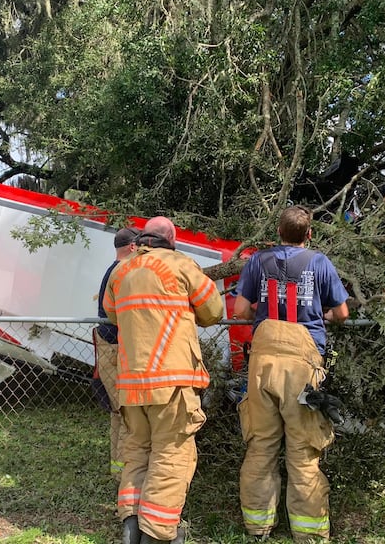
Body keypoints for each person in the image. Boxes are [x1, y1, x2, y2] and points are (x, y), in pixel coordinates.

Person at [103, 216, 224, 544]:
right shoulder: (181, 265)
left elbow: (111, 313)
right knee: (171, 454)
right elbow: (214, 311)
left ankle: (131, 524)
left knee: (138, 450)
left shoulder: (121, 271)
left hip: (131, 383)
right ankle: (156, 535)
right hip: (172, 382)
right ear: (172, 239)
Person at [233, 205, 349, 541]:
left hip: (263, 363)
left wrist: (262, 311)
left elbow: (241, 310)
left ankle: (258, 526)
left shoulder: (258, 261)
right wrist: (323, 317)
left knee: (261, 445)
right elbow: (341, 312)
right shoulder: (319, 263)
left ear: (279, 233)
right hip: (303, 364)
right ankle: (308, 534)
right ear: (308, 234)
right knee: (303, 449)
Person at [93, 226, 139, 480]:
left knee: (118, 411)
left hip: (110, 347)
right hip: (115, 348)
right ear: (133, 247)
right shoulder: (123, 272)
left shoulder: (114, 271)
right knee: (126, 411)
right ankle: (126, 473)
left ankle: (119, 469)